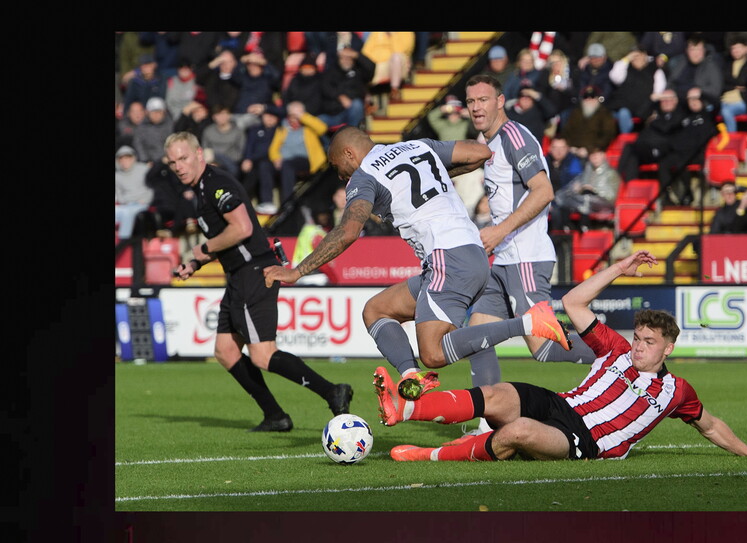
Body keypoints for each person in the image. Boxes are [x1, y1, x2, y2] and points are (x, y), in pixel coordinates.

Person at [376, 247, 747, 462]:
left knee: (517, 433)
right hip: (561, 404)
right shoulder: (616, 349)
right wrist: (618, 268)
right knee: (499, 393)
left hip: (586, 440)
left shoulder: (676, 392)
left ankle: (429, 455)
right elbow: (572, 303)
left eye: (649, 343)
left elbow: (710, 426)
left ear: (669, 348)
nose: (639, 347)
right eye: (638, 338)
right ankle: (406, 410)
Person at [262, 127, 572, 401]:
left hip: (446, 257)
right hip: (471, 252)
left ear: (349, 153)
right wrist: (438, 173)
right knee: (376, 310)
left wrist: (298, 270)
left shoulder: (364, 175)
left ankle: (529, 323)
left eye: (337, 167)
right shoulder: (418, 146)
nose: (341, 175)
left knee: (434, 353)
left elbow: (348, 230)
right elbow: (481, 152)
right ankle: (411, 377)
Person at [163, 132, 352, 431]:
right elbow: (227, 240)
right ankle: (275, 416)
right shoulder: (201, 190)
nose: (179, 166)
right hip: (239, 274)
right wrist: (196, 262)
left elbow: (242, 228)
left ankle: (331, 391)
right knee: (225, 351)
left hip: (255, 272)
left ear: (199, 153)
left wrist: (203, 248)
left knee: (263, 355)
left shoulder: (216, 184)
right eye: (173, 162)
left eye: (183, 158)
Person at [463, 74, 600, 434]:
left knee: (543, 348)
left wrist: (498, 230)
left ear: (500, 101)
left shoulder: (515, 137)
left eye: (483, 99)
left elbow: (544, 191)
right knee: (478, 336)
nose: (476, 107)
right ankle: (488, 422)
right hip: (503, 259)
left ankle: (615, 354)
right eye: (471, 101)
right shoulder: (488, 142)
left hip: (524, 257)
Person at [658, 86, 718, 206]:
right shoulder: (684, 115)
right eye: (690, 99)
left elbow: (716, 102)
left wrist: (702, 94)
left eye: (696, 99)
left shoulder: (708, 114)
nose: (694, 102)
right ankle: (666, 197)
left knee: (682, 160)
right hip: (682, 153)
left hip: (701, 153)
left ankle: (687, 193)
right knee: (664, 163)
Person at [267, 101, 329, 206]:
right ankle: (267, 202)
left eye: (296, 115)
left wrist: (302, 117)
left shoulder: (309, 126)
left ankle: (288, 202)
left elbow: (323, 129)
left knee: (287, 165)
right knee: (264, 166)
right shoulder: (283, 127)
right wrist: (276, 158)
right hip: (284, 160)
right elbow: (273, 148)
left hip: (305, 160)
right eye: (291, 115)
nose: (293, 118)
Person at [615, 88, 683, 183]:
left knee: (631, 147)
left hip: (661, 151)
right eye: (663, 99)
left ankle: (615, 177)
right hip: (645, 149)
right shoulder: (656, 111)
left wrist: (653, 121)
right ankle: (629, 186)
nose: (666, 102)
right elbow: (640, 114)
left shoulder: (678, 114)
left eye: (669, 99)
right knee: (632, 158)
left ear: (675, 101)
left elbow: (666, 127)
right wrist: (651, 100)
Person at [551, 147, 621, 231]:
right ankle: (565, 229)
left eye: (597, 154)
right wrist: (578, 188)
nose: (594, 157)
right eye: (592, 155)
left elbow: (612, 196)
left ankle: (583, 227)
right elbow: (575, 185)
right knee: (562, 196)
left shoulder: (611, 173)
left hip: (602, 203)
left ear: (603, 155)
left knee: (586, 199)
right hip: (583, 200)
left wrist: (594, 190)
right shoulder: (587, 171)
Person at [318, 45, 375, 132]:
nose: (346, 60)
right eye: (343, 58)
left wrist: (356, 54)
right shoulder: (332, 71)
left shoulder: (359, 71)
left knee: (356, 104)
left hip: (353, 113)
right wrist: (340, 96)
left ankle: (354, 134)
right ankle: (327, 145)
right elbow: (325, 87)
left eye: (349, 57)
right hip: (334, 113)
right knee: (317, 121)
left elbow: (371, 67)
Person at [607, 47, 664, 134]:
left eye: (638, 56)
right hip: (620, 106)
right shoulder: (626, 68)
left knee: (624, 113)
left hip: (643, 109)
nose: (635, 59)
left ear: (644, 56)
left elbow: (657, 93)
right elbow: (614, 76)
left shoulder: (655, 70)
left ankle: (625, 139)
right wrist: (627, 59)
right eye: (633, 57)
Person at [240, 104, 282, 213]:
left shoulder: (279, 130)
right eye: (267, 115)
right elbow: (249, 146)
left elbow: (283, 111)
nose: (269, 118)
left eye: (272, 116)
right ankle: (242, 204)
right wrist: (247, 159)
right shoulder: (255, 130)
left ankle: (267, 202)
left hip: (271, 162)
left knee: (263, 167)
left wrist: (265, 107)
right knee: (250, 174)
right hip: (255, 162)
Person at [559, 85, 617, 161]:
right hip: (572, 152)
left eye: (592, 96)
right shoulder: (576, 113)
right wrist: (570, 147)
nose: (589, 99)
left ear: (597, 98)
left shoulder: (604, 114)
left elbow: (607, 135)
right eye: (586, 96)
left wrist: (590, 150)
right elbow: (566, 132)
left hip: (593, 154)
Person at [665, 34, 723, 110]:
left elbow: (716, 90)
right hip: (678, 100)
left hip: (700, 102)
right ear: (687, 51)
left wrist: (700, 91)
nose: (696, 53)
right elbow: (671, 82)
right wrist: (669, 92)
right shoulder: (681, 64)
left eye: (699, 49)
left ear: (704, 51)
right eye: (692, 49)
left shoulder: (711, 66)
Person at [718, 35, 747, 134]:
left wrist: (733, 83)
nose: (735, 51)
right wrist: (734, 87)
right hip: (725, 99)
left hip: (743, 101)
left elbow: (746, 82)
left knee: (726, 111)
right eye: (733, 48)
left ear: (746, 49)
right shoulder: (726, 64)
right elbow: (721, 84)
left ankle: (732, 138)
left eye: (738, 48)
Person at [361, 31, 415, 103]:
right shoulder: (377, 33)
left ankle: (395, 90)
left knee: (396, 57)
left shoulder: (407, 33)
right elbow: (366, 51)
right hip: (378, 63)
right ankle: (367, 102)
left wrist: (393, 35)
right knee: (362, 64)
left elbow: (399, 50)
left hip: (398, 64)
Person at [115, 146, 154, 241]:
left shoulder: (144, 169)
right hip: (126, 205)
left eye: (127, 158)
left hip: (142, 203)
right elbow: (118, 195)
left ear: (133, 158)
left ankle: (123, 242)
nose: (125, 161)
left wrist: (146, 200)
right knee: (124, 211)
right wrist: (126, 201)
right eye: (122, 159)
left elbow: (152, 188)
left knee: (127, 213)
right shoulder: (117, 176)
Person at [133, 96, 175, 167]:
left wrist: (169, 157)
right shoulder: (141, 127)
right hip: (149, 163)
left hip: (168, 160)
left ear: (164, 112)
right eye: (153, 112)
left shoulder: (170, 125)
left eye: (159, 112)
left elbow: (174, 143)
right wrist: (146, 161)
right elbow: (139, 145)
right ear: (147, 112)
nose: (156, 115)